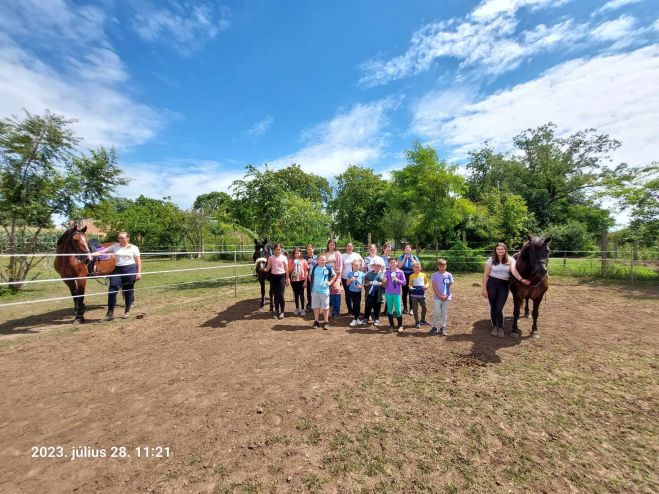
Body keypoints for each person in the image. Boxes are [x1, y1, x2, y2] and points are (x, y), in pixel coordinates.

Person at [91, 231, 142, 321]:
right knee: (112, 291)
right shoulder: (115, 246)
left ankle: (127, 311)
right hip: (117, 269)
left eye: (122, 238)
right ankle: (110, 314)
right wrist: (92, 254)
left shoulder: (134, 248)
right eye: (119, 238)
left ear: (128, 238)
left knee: (128, 291)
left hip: (130, 269)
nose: (120, 239)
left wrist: (138, 272)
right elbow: (103, 251)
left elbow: (138, 261)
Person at [481, 242, 529, 337]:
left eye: (502, 249)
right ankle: (495, 326)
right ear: (495, 250)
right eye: (498, 249)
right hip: (492, 284)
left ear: (505, 250)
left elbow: (514, 271)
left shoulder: (510, 260)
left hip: (503, 285)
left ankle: (501, 327)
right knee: (493, 306)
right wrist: (484, 289)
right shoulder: (490, 260)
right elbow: (486, 275)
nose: (500, 251)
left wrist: (521, 279)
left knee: (499, 307)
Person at [309, 254, 337, 330]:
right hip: (315, 291)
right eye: (321, 260)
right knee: (316, 307)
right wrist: (312, 283)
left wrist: (330, 282)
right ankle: (316, 321)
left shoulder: (328, 268)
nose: (323, 261)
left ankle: (326, 322)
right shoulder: (314, 268)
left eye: (325, 260)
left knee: (325, 307)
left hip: (325, 291)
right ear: (317, 261)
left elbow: (334, 276)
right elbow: (310, 275)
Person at [264, 243, 289, 319]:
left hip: (281, 277)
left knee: (281, 295)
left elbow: (286, 269)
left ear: (281, 250)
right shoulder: (271, 258)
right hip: (273, 277)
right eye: (276, 250)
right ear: (274, 250)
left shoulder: (284, 257)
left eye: (279, 250)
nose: (277, 251)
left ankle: (282, 312)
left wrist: (287, 278)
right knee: (275, 295)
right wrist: (263, 269)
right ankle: (276, 311)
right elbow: (268, 267)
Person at [430, 259, 454, 336]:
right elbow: (433, 286)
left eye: (443, 266)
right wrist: (439, 295)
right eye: (440, 266)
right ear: (438, 266)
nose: (442, 267)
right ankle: (434, 327)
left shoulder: (449, 275)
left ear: (446, 266)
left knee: (444, 313)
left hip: (447, 297)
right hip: (437, 297)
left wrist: (446, 295)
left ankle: (443, 327)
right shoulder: (434, 275)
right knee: (436, 313)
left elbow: (450, 286)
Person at [384, 257, 406, 333]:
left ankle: (400, 325)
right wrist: (384, 281)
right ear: (389, 264)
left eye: (394, 262)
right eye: (391, 262)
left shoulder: (400, 272)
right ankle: (391, 325)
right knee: (389, 309)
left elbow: (404, 283)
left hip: (397, 294)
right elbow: (384, 283)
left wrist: (397, 280)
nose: (392, 264)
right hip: (388, 293)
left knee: (398, 310)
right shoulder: (387, 272)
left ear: (396, 263)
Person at [341, 242, 363, 315]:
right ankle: (350, 310)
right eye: (348, 246)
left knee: (356, 293)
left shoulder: (356, 255)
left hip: (356, 279)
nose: (349, 247)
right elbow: (340, 266)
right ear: (345, 247)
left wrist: (360, 274)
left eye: (350, 246)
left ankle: (355, 310)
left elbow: (362, 264)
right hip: (345, 278)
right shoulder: (342, 256)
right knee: (348, 294)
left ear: (352, 247)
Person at [397, 243, 420, 315]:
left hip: (412, 275)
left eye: (409, 248)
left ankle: (411, 309)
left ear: (411, 249)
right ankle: (405, 308)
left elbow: (419, 266)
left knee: (411, 292)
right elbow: (399, 266)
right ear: (404, 250)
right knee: (404, 292)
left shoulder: (414, 257)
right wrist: (404, 258)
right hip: (403, 275)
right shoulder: (401, 257)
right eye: (406, 248)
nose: (407, 249)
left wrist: (412, 259)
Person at [362, 260, 385, 326]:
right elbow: (364, 283)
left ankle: (376, 319)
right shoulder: (368, 274)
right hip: (369, 293)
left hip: (378, 294)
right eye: (375, 266)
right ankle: (366, 318)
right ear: (373, 266)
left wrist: (381, 284)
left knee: (377, 306)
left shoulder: (383, 274)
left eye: (378, 266)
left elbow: (385, 284)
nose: (377, 267)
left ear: (380, 267)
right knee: (368, 305)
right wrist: (368, 283)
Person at [408, 261, 430, 329]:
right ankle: (417, 322)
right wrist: (410, 287)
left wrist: (426, 286)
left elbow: (427, 283)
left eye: (419, 267)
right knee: (415, 309)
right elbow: (410, 284)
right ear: (413, 268)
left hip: (421, 295)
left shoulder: (423, 275)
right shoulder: (411, 276)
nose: (418, 268)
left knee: (424, 308)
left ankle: (422, 320)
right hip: (414, 295)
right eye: (416, 267)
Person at [289, 247, 309, 316]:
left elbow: (306, 271)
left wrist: (306, 281)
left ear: (300, 253)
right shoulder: (291, 260)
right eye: (295, 253)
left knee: (302, 294)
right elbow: (289, 270)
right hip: (294, 280)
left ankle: (303, 309)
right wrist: (293, 264)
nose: (297, 254)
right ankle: (297, 308)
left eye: (298, 253)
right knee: (296, 294)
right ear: (293, 254)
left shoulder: (304, 261)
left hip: (302, 280)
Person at [346, 259, 365, 327]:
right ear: (352, 266)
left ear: (360, 266)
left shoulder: (362, 273)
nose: (356, 267)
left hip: (358, 292)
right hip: (352, 291)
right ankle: (354, 319)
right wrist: (351, 280)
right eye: (354, 266)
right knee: (354, 304)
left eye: (357, 266)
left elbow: (363, 282)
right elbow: (347, 284)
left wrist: (361, 286)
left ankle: (357, 319)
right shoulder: (350, 274)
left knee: (358, 305)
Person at [304, 244, 317, 311]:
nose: (309, 251)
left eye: (310, 249)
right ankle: (309, 305)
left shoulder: (317, 257)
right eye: (308, 249)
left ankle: (315, 305)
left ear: (313, 249)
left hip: (316, 277)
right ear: (306, 251)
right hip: (307, 276)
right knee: (309, 291)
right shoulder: (304, 258)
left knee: (315, 291)